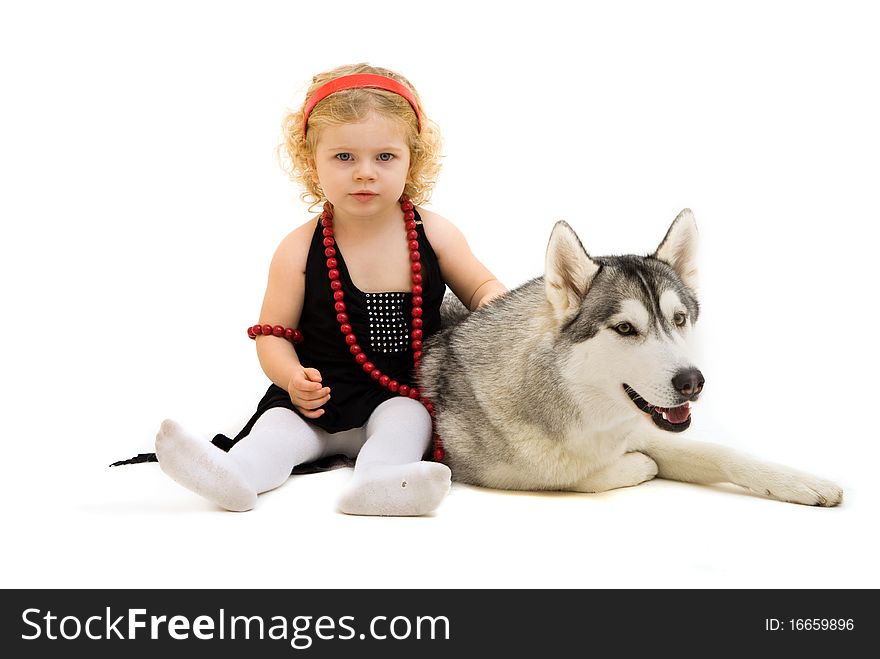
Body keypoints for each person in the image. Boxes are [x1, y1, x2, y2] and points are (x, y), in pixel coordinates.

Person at [154, 63, 507, 515]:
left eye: (385, 157)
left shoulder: (435, 235)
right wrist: (290, 378)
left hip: (397, 391)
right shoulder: (298, 248)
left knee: (408, 420)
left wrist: (502, 309)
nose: (364, 173)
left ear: (412, 160)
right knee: (276, 429)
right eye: (344, 157)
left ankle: (379, 482)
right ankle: (236, 474)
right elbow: (273, 333)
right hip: (313, 399)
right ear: (310, 161)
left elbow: (481, 288)